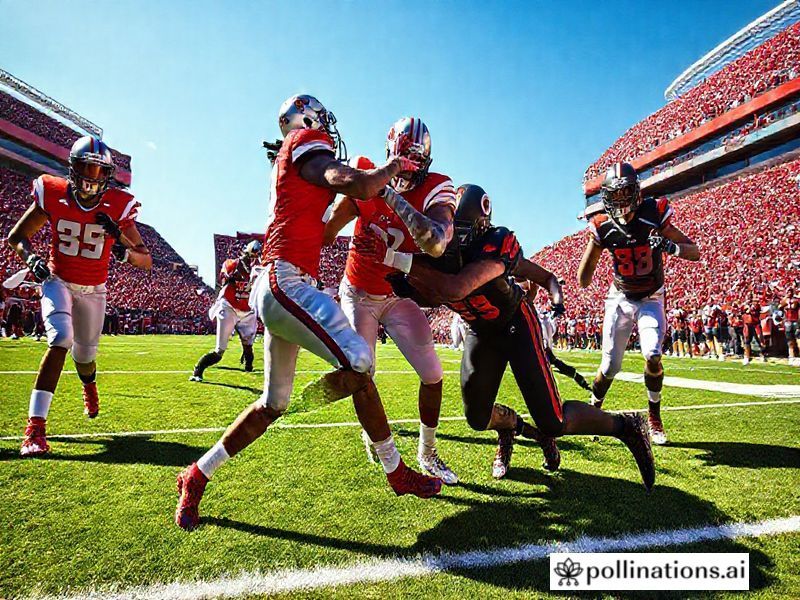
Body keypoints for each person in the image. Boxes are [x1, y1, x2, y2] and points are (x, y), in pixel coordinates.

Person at [174, 95, 442, 531]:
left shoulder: (297, 155)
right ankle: (395, 471)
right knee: (359, 361)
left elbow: (319, 216)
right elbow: (353, 183)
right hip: (287, 281)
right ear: (310, 123)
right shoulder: (307, 143)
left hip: (285, 284)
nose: (327, 135)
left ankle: (196, 474)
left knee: (270, 404)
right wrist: (393, 168)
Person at [377, 184, 655, 490]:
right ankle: (511, 430)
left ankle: (626, 425)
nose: (451, 237)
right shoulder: (432, 248)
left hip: (515, 325)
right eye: (447, 228)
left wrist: (400, 261)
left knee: (553, 420)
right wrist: (411, 288)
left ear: (481, 226)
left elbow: (455, 289)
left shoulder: (496, 242)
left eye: (460, 230)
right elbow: (438, 295)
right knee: (477, 417)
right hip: (479, 331)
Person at [307, 117, 459, 484]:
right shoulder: (366, 177)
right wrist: (321, 199)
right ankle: (371, 432)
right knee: (362, 373)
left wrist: (387, 192)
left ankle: (428, 452)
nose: (407, 169)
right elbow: (326, 233)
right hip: (358, 291)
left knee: (433, 374)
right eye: (401, 160)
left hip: (396, 294)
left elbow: (436, 243)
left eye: (415, 162)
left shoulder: (438, 188)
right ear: (390, 155)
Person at [6, 136, 152, 457]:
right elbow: (17, 236)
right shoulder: (54, 193)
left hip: (94, 291)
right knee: (61, 339)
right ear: (73, 168)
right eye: (86, 167)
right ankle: (35, 427)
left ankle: (89, 385)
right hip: (59, 281)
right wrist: (30, 259)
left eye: (100, 172)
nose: (92, 177)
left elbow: (145, 259)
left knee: (85, 358)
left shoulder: (117, 204)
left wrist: (118, 240)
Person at [577, 162, 699, 446]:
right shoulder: (602, 226)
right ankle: (594, 411)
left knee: (653, 354)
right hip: (620, 297)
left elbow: (694, 251)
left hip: (651, 297)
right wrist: (594, 248)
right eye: (614, 195)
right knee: (609, 367)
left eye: (624, 193)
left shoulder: (653, 214)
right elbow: (584, 278)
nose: (619, 201)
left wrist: (671, 248)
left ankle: (654, 417)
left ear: (636, 192)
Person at [190, 239, 262, 381]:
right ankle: (198, 371)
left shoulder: (260, 269)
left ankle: (248, 366)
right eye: (251, 256)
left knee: (248, 345)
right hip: (229, 306)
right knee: (219, 351)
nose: (252, 260)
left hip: (247, 310)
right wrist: (234, 272)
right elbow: (224, 275)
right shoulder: (233, 264)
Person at [780, 288, 799, 365]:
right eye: (787, 292)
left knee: (798, 339)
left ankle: (793, 357)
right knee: (790, 340)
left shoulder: (795, 300)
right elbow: (780, 308)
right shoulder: (785, 300)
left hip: (794, 321)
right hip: (788, 321)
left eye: (789, 292)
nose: (788, 293)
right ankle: (791, 357)